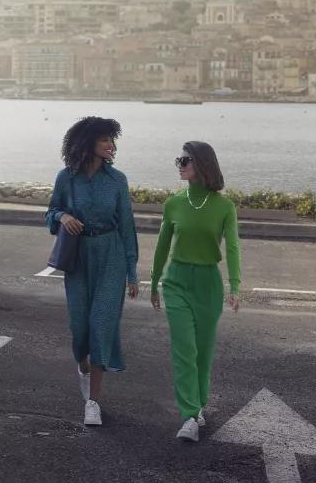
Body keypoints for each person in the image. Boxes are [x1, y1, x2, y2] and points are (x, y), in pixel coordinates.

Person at [45, 116, 139, 427]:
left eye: (112, 140)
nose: (111, 145)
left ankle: (93, 402)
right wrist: (62, 217)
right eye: (105, 140)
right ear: (88, 143)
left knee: (101, 324)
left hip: (111, 255)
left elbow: (127, 226)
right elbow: (51, 212)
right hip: (79, 258)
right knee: (79, 329)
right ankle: (82, 367)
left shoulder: (117, 180)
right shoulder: (66, 178)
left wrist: (131, 271)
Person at [149, 141, 242, 443]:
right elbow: (162, 245)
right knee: (185, 350)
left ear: (202, 164)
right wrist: (154, 282)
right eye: (178, 160)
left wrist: (235, 286)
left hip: (208, 285)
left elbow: (233, 247)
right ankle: (189, 415)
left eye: (185, 160)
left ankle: (199, 403)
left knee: (203, 351)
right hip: (176, 282)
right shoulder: (173, 203)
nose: (180, 165)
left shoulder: (225, 207)